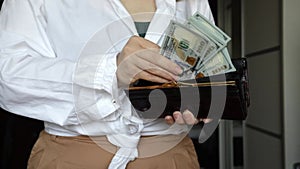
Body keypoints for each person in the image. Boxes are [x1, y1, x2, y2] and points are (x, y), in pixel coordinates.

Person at [0, 0, 215, 168]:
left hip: (170, 158)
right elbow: (8, 77)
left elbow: (210, 68)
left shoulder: (191, 2)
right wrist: (110, 71)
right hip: (70, 157)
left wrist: (200, 102)